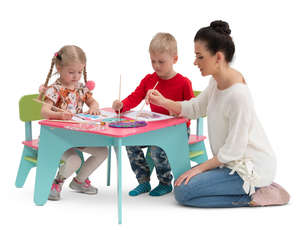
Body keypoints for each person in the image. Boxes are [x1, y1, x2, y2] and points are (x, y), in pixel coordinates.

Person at [146, 21, 285, 207]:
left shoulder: (238, 95)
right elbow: (197, 108)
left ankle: (257, 194)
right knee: (181, 180)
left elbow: (234, 150)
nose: (195, 62)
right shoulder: (216, 81)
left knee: (183, 192)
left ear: (218, 57)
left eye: (200, 57)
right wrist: (164, 102)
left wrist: (201, 168)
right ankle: (251, 189)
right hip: (229, 163)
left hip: (249, 168)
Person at [112, 33, 194, 196]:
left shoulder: (184, 82)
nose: (156, 66)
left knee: (157, 148)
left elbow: (192, 109)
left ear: (174, 59)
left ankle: (165, 182)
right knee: (130, 141)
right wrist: (122, 105)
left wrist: (175, 111)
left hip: (178, 130)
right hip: (154, 128)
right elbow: (134, 97)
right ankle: (143, 182)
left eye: (161, 62)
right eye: (153, 61)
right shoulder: (149, 80)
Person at [40, 45, 108, 201]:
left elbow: (93, 102)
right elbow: (44, 111)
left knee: (103, 151)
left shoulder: (81, 88)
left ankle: (79, 181)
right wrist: (59, 115)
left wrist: (94, 107)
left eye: (79, 72)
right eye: (71, 72)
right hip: (56, 137)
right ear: (59, 67)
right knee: (74, 160)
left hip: (76, 137)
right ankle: (57, 182)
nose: (76, 76)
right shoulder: (54, 89)